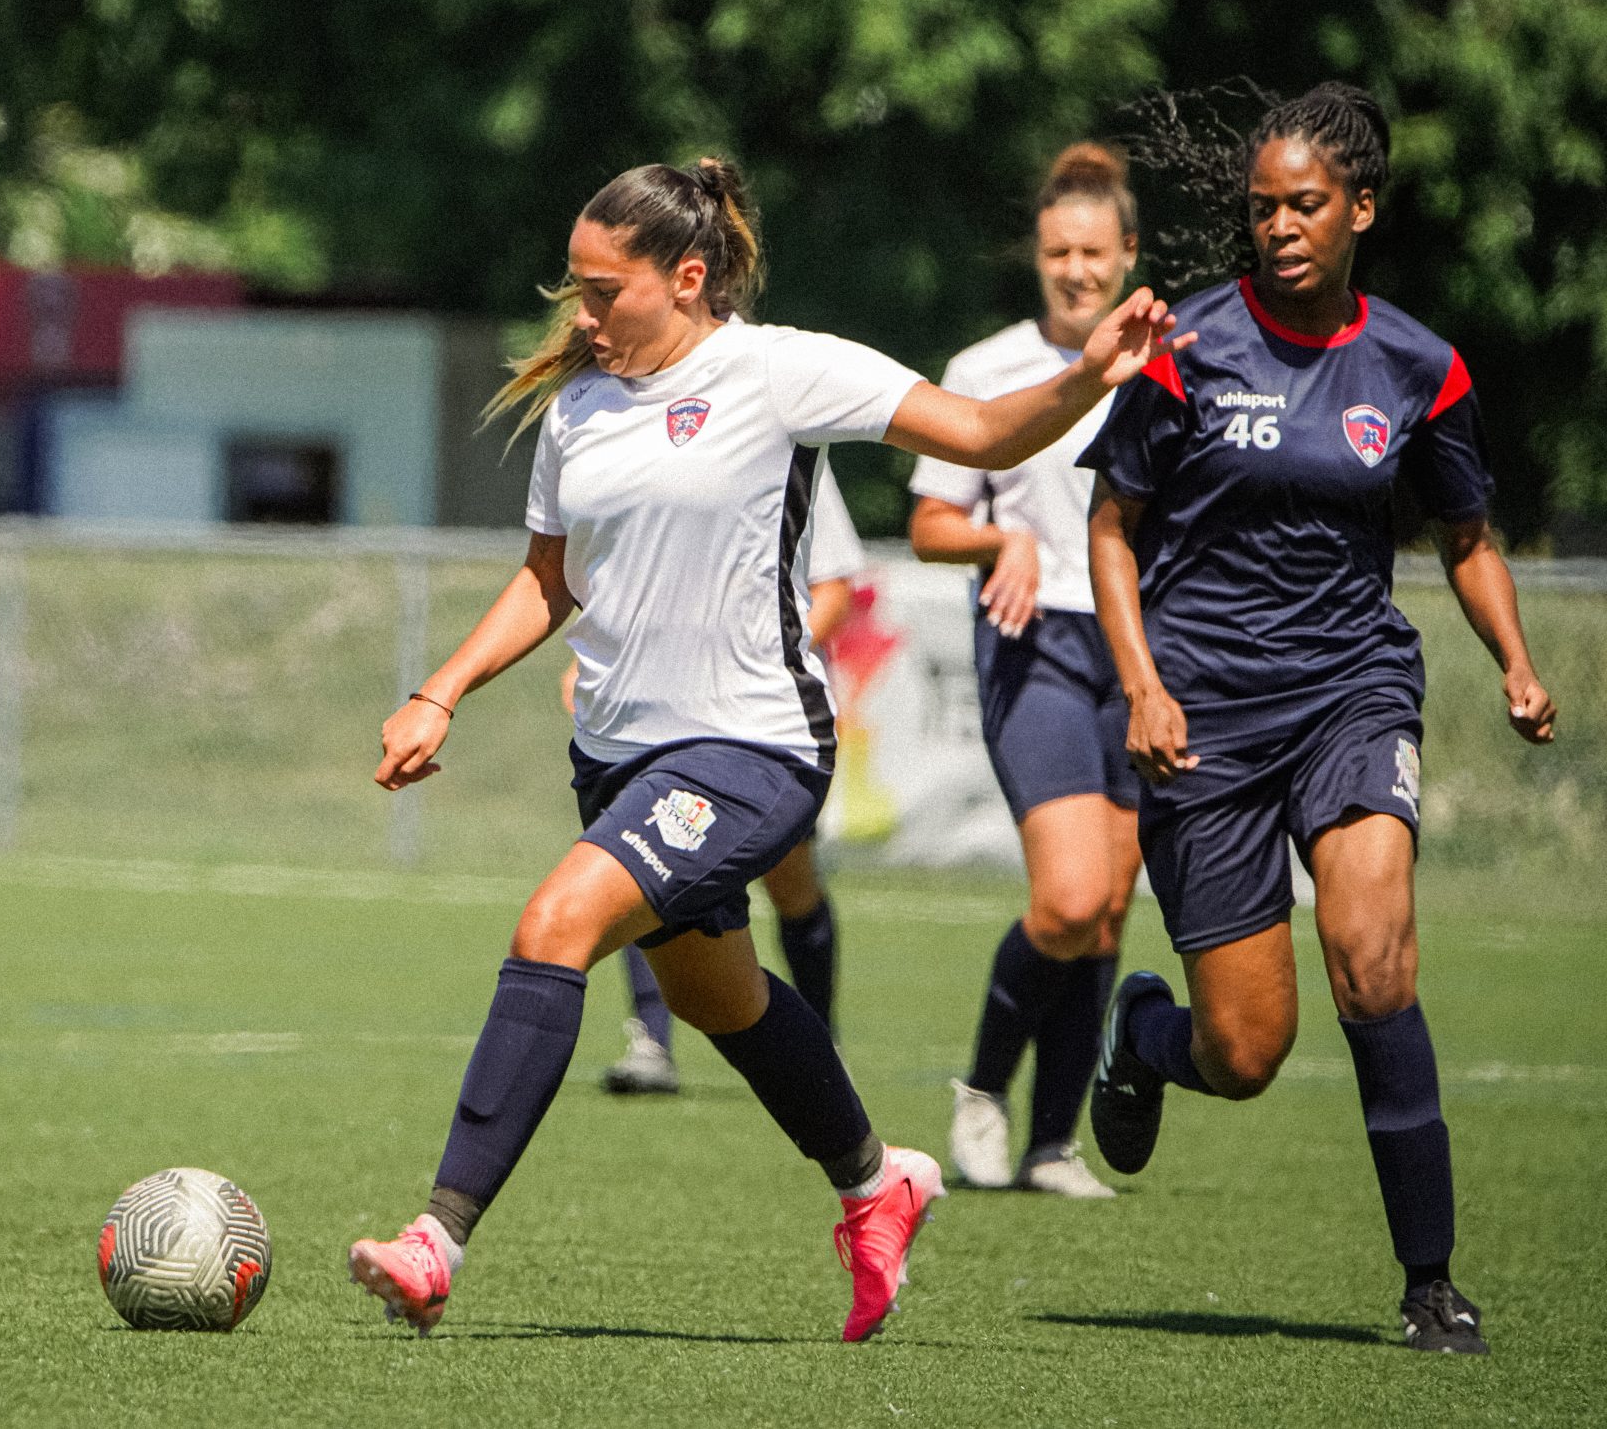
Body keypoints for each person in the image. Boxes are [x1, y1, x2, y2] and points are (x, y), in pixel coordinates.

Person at [346, 157, 1186, 1342]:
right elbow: (549, 582)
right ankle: (874, 1180)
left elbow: (987, 435)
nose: (581, 317)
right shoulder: (580, 405)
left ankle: (436, 1241)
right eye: (575, 292)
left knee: (554, 928)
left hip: (749, 750)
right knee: (715, 995)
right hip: (618, 759)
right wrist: (441, 691)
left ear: (688, 278)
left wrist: (1092, 376)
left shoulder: (781, 369)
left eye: (603, 291)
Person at [1082, 83, 1556, 1355]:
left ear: (1358, 208)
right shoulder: (1185, 344)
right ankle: (1140, 1036)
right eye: (1261, 208)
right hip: (1204, 719)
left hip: (1351, 691)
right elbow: (1112, 526)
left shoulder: (1418, 365)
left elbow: (1466, 537)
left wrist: (1512, 659)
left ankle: (1428, 1281)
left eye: (1304, 205)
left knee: (1373, 961)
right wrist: (1141, 682)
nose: (1280, 225)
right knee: (1244, 1050)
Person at [908, 144, 1146, 1200]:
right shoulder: (984, 368)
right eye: (1057, 251)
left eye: (1093, 252)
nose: (1075, 270)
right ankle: (982, 1090)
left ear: (1128, 255)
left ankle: (1054, 1145)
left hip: (1140, 655)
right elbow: (926, 523)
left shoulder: (1168, 363)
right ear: (1037, 257)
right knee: (1065, 899)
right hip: (1033, 644)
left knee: (1107, 914)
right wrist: (994, 542)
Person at [592, 458, 860, 1095]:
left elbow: (836, 588)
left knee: (791, 884)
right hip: (664, 711)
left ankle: (821, 1046)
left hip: (765, 719)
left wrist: (762, 661)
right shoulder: (644, 449)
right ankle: (651, 1042)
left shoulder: (790, 442)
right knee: (644, 859)